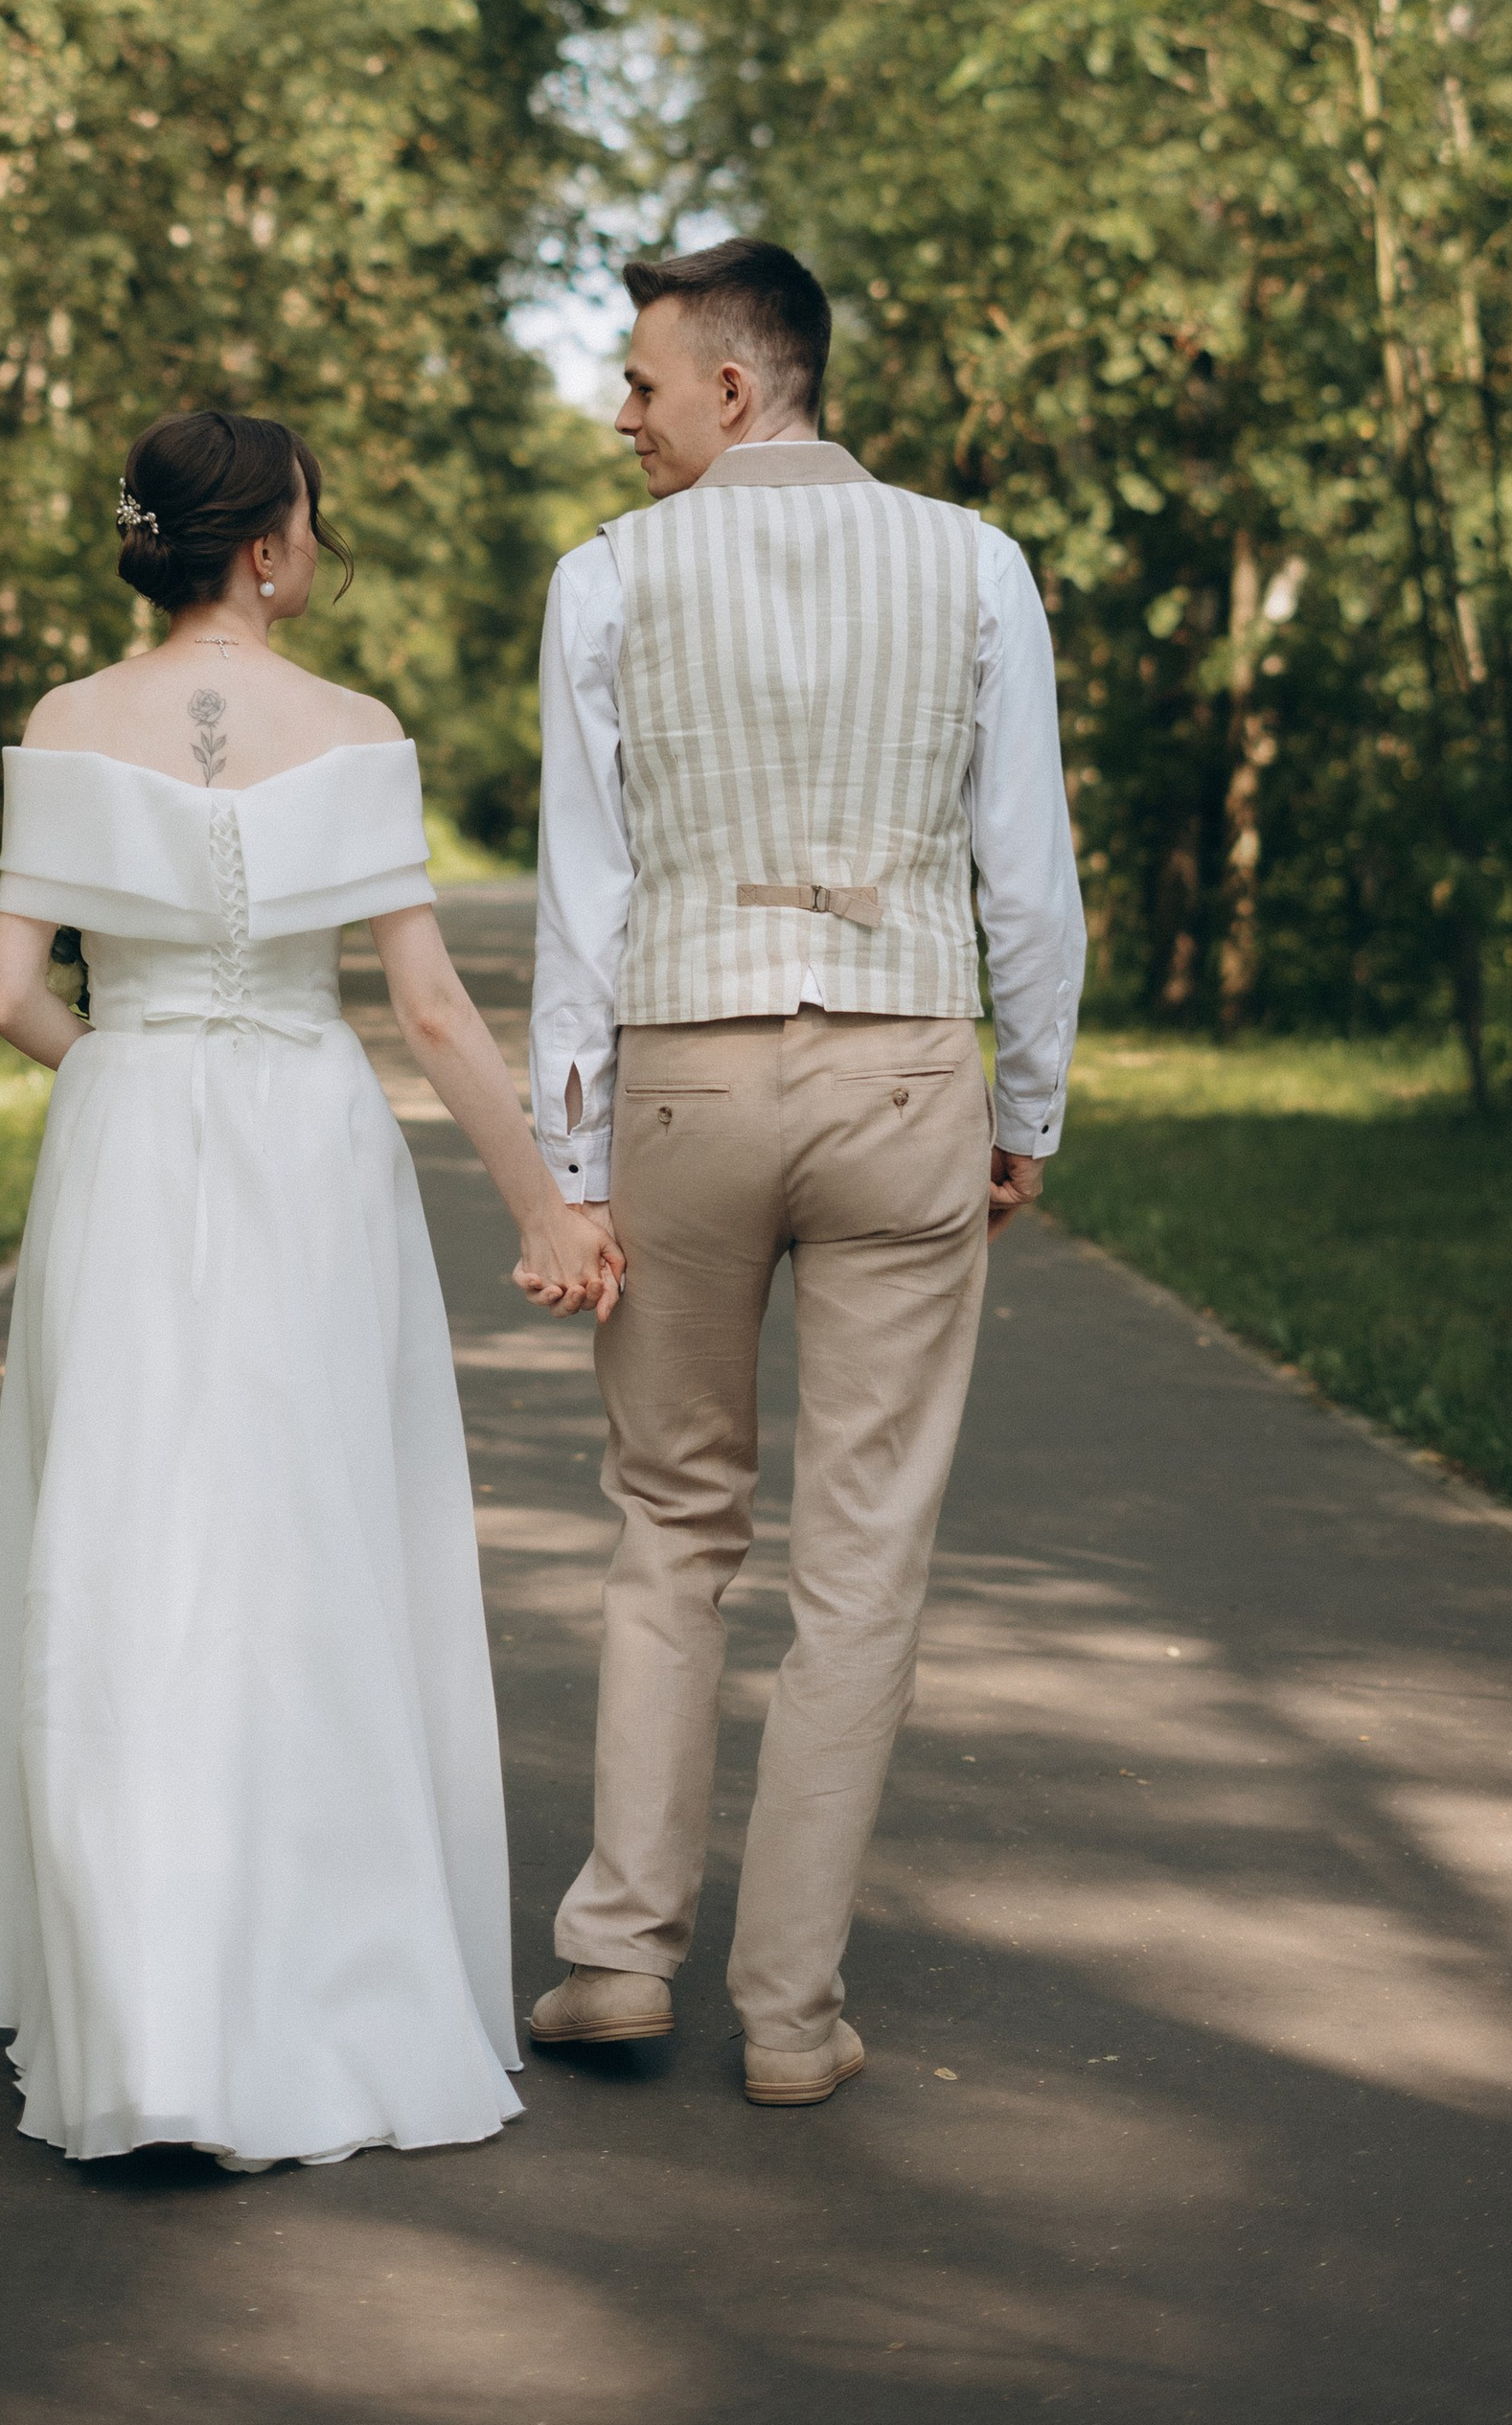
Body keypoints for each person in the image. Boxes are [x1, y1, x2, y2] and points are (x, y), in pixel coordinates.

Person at [0, 407, 621, 2173]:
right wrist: (546, 1206)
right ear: (264, 547)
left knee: (121, 1534)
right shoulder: (357, 731)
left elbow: (10, 990)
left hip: (130, 1124)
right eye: (310, 517)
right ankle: (319, 1971)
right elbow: (429, 1012)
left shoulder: (65, 723)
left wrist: (127, 1059)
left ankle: (135, 2000)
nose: (318, 541)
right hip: (307, 1148)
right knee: (309, 1531)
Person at [524, 238, 1084, 2106]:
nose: (622, 413)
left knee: (668, 1520)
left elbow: (581, 893)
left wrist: (571, 1156)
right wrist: (1027, 1107)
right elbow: (1025, 870)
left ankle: (615, 1951)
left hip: (682, 1074)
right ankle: (786, 2013)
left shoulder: (602, 580)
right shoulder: (973, 565)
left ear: (733, 388)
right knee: (856, 1557)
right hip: (904, 1068)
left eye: (639, 382)